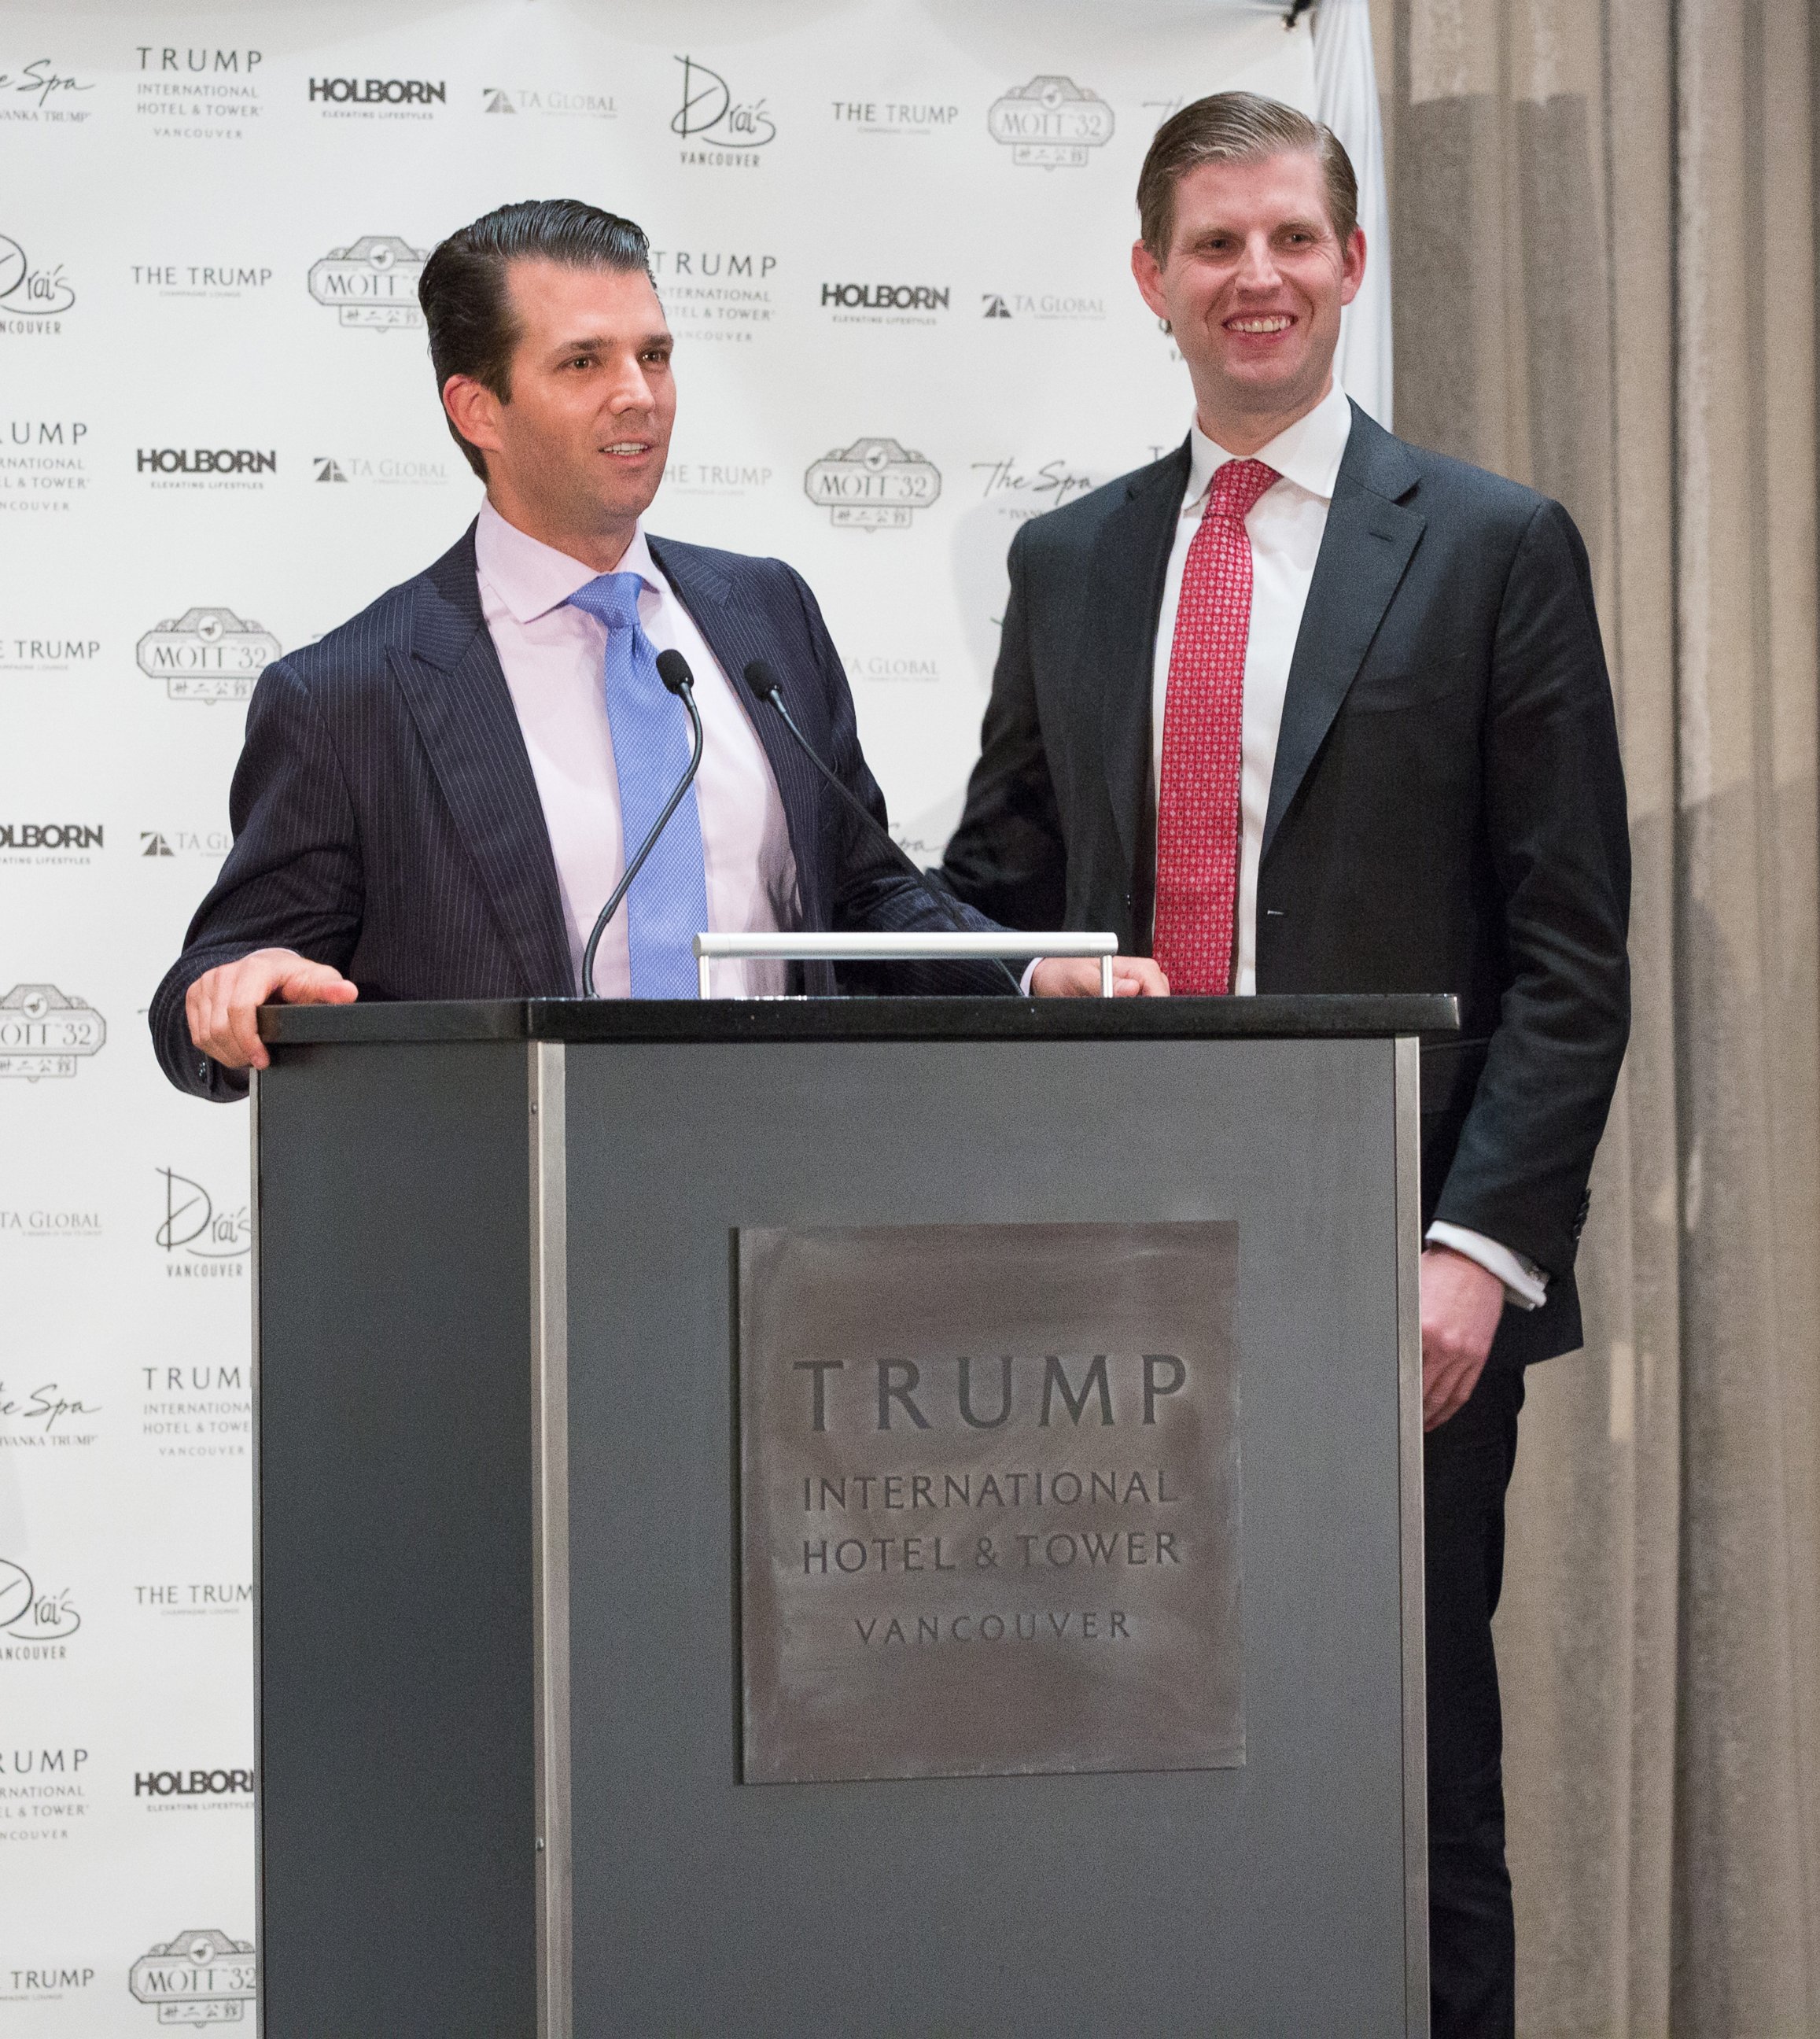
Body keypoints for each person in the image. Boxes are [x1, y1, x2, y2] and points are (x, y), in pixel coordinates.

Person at [935, 94, 1630, 2036]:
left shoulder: (1492, 547)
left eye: (1292, 241)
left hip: (1381, 1284)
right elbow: (998, 897)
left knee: (1406, 1784)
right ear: (1147, 278)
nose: (1257, 278)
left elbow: (1570, 954)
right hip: (1104, 1277)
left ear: (1346, 265)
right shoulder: (1067, 561)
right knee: (1119, 1764)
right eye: (1214, 245)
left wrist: (1471, 1256)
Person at [150, 200, 1164, 1101]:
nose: (638, 393)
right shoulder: (351, 694)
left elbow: (867, 893)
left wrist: (1026, 971)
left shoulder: (766, 614)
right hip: (517, 1220)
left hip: (785, 1196)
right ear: (478, 409)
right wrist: (239, 991)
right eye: (584, 363)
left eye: (656, 354)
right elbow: (222, 975)